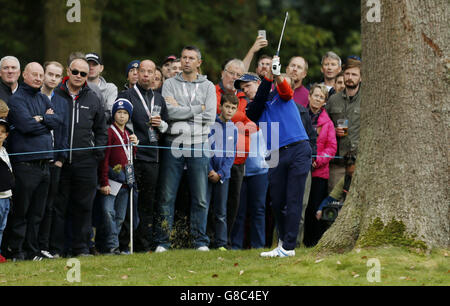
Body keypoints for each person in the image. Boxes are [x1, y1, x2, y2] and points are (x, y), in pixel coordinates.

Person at [246, 56, 312, 258]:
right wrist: (268, 80)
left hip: (298, 148)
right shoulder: (252, 110)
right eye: (243, 88)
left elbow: (285, 88)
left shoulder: (281, 95)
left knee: (293, 199)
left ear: (257, 83)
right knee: (277, 201)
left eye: (248, 85)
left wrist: (275, 76)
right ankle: (284, 242)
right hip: (275, 154)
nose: (246, 90)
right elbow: (257, 104)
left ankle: (289, 247)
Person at [155, 45, 216, 253]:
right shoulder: (170, 84)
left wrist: (182, 110)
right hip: (174, 142)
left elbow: (210, 116)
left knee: (199, 196)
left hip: (199, 143)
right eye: (184, 57)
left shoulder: (208, 86)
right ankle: (163, 241)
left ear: (199, 62)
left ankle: (200, 241)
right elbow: (169, 113)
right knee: (167, 195)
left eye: (191, 58)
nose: (186, 61)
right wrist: (196, 109)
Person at [50, 57, 108, 257]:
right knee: (59, 206)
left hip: (86, 162)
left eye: (83, 74)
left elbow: (102, 129)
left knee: (83, 207)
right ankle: (56, 249)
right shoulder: (54, 94)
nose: (78, 76)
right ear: (68, 70)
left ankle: (80, 248)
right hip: (60, 161)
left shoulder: (93, 97)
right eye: (75, 72)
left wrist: (97, 153)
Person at [6, 62, 62, 261]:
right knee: (22, 211)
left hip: (45, 165)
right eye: (35, 75)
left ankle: (32, 251)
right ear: (24, 75)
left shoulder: (42, 97)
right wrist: (42, 122)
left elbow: (57, 121)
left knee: (38, 213)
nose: (39, 78)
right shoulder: (17, 99)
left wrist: (41, 120)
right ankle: (16, 251)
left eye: (41, 75)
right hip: (26, 165)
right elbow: (25, 126)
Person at [117, 59, 169, 252]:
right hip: (131, 156)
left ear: (155, 74)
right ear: (137, 73)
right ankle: (123, 245)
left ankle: (143, 245)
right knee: (128, 201)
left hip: (152, 157)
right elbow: (117, 120)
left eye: (150, 72)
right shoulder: (126, 95)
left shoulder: (159, 98)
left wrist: (161, 124)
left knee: (148, 202)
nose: (146, 75)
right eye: (143, 71)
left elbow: (167, 127)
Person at [215, 59, 257, 243]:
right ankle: (211, 239)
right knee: (214, 202)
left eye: (239, 76)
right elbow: (216, 114)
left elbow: (255, 125)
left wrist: (237, 121)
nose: (234, 78)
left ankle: (226, 240)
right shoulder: (214, 92)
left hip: (238, 160)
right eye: (231, 73)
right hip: (216, 159)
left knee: (233, 203)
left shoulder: (244, 97)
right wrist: (240, 119)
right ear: (223, 73)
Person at [37, 61, 69, 259]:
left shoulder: (62, 102)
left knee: (50, 205)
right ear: (43, 73)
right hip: (37, 158)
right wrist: (44, 118)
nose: (53, 79)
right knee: (35, 206)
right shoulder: (35, 97)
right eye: (50, 74)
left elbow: (63, 131)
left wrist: (61, 159)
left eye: (58, 76)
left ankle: (45, 245)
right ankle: (30, 247)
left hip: (55, 161)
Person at [98, 99, 139, 255]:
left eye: (125, 113)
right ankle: (111, 246)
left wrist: (134, 146)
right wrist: (104, 181)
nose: (122, 116)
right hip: (111, 182)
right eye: (119, 112)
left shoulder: (128, 134)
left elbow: (130, 158)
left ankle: (113, 246)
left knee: (120, 217)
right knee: (108, 213)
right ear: (114, 114)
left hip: (124, 183)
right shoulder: (109, 132)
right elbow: (105, 158)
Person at [303, 84, 337, 247]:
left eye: (321, 97)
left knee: (314, 208)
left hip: (318, 172)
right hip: (301, 166)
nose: (317, 99)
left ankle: (313, 242)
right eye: (315, 95)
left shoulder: (327, 122)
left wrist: (318, 160)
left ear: (325, 101)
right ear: (309, 96)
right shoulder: (301, 115)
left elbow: (332, 147)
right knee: (301, 206)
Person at [206, 94, 238, 250]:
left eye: (233, 108)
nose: (229, 110)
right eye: (227, 106)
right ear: (220, 106)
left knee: (221, 211)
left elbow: (231, 155)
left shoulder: (234, 129)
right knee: (204, 206)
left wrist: (221, 173)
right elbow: (205, 149)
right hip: (207, 173)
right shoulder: (210, 126)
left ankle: (221, 243)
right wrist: (210, 169)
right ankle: (204, 241)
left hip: (223, 176)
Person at [325, 57, 362, 193]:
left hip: (360, 161)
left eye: (354, 74)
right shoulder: (333, 100)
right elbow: (323, 126)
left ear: (361, 78)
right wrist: (333, 130)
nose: (350, 77)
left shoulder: (368, 99)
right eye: (347, 74)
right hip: (338, 162)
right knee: (334, 201)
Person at [316, 152, 357, 226]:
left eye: (353, 173)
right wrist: (320, 209)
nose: (352, 175)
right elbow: (331, 198)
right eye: (350, 173)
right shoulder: (345, 179)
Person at [86, 52, 118, 122]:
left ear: (101, 68)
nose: (91, 68)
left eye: (94, 64)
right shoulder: (76, 87)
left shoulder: (111, 88)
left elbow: (110, 113)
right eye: (88, 65)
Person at [0, 119, 13, 263]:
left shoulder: (5, 151)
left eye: (3, 132)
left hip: (7, 195)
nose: (0, 135)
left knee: (2, 227)